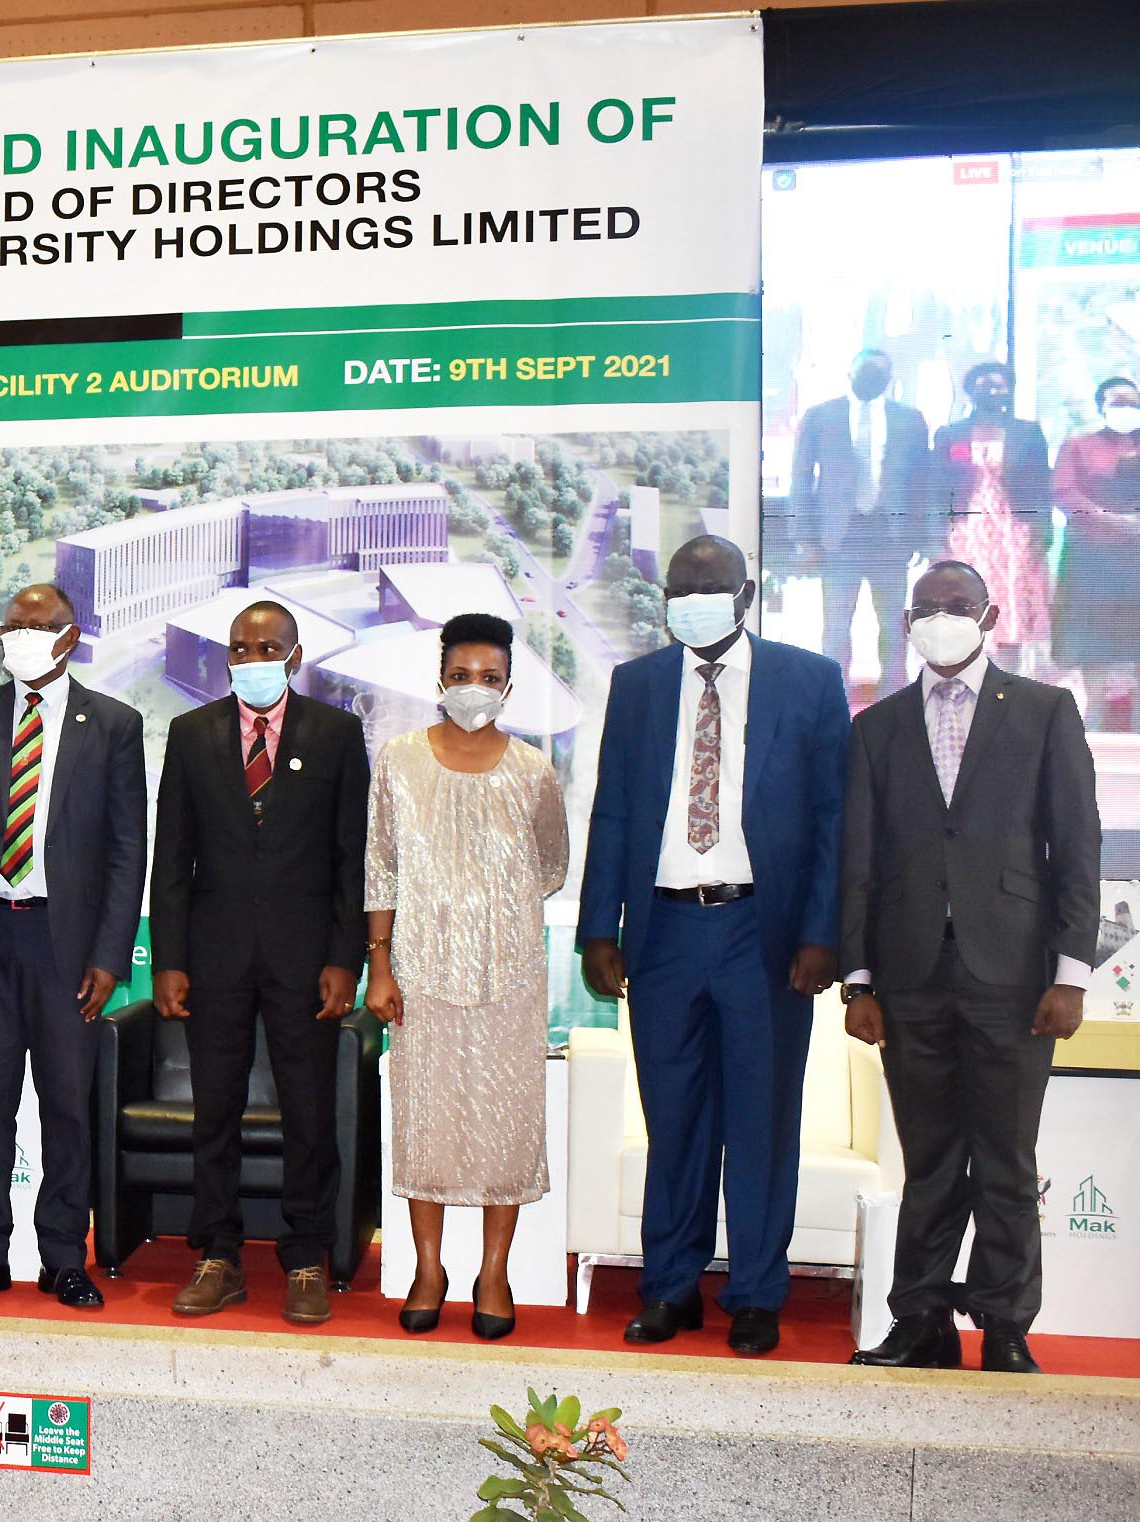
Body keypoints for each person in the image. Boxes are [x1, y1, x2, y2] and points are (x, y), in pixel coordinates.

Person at [578, 535, 849, 1355]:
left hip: (761, 934)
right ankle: (670, 1286)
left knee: (762, 1119)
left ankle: (758, 1293)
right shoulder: (638, 686)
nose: (692, 599)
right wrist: (599, 925)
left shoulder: (809, 680)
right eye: (679, 588)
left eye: (710, 587)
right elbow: (615, 808)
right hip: (663, 932)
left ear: (747, 592)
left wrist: (821, 932)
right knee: (676, 1117)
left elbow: (838, 819)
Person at [842, 560, 1098, 1375]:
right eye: (926, 607)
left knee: (1006, 1160)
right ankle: (919, 1319)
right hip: (909, 976)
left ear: (989, 616)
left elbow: (1077, 850)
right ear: (906, 621)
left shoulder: (1044, 711)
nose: (940, 618)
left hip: (1016, 978)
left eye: (957, 606)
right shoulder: (875, 728)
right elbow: (858, 864)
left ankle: (1006, 1323)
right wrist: (859, 980)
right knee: (927, 1161)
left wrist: (1071, 975)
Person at [0, 583, 146, 1312]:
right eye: (10, 625)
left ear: (68, 636)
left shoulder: (113, 723)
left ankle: (61, 1258)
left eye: (33, 626)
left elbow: (125, 853)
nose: (17, 636)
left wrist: (110, 957)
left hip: (68, 947)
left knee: (67, 1111)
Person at [150, 599, 369, 1326]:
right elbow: (171, 857)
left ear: (296, 655)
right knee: (214, 1110)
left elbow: (350, 858)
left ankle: (306, 1257)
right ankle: (218, 1256)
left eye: (267, 647)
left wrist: (347, 957)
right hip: (211, 959)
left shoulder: (336, 734)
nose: (252, 659)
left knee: (309, 1112)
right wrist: (168, 959)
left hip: (308, 962)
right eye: (240, 649)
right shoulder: (191, 733)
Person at [364, 613, 568, 1341]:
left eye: (488, 678)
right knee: (428, 1126)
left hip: (510, 975)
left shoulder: (533, 770)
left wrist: (490, 909)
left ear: (508, 687)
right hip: (420, 975)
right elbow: (380, 866)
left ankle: (493, 1271)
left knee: (505, 1126)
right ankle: (428, 1268)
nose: (473, 689)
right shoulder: (397, 760)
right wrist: (380, 964)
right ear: (439, 681)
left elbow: (550, 866)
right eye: (460, 676)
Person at [789, 349, 931, 691]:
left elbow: (922, 482)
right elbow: (801, 480)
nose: (872, 376)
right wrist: (803, 538)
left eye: (880, 371)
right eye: (866, 370)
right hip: (840, 536)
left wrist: (923, 537)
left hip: (889, 535)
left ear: (890, 377)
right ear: (849, 373)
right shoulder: (821, 415)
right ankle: (832, 698)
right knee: (837, 625)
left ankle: (895, 698)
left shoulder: (910, 419)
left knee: (895, 626)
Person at [933, 363, 1053, 673]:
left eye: (1000, 386)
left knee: (1009, 601)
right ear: (971, 390)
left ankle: (1009, 681)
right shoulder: (950, 433)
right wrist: (935, 535)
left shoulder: (1028, 432)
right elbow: (935, 487)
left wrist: (1042, 529)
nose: (993, 391)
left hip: (1013, 530)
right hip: (965, 531)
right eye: (985, 385)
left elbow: (1042, 484)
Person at [1052, 377, 1140, 729]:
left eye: (1131, 401)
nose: (1125, 408)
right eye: (1116, 401)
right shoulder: (1078, 446)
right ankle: (1095, 717)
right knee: (1095, 638)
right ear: (1101, 406)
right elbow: (1063, 492)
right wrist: (1112, 521)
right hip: (1094, 558)